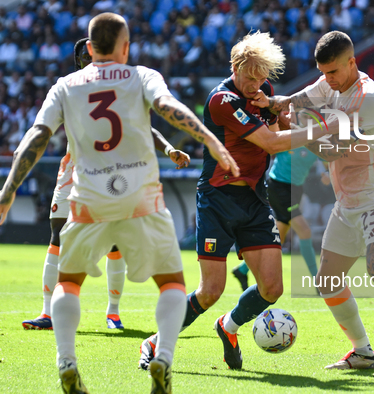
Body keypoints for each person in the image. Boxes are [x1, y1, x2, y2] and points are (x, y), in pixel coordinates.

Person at [0, 13, 238, 393]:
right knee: (172, 284)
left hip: (89, 198)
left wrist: (8, 191)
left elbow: (37, 135)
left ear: (90, 48)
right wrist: (209, 138)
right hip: (139, 196)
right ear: (126, 47)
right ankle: (163, 359)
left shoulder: (66, 85)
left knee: (70, 282)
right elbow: (168, 108)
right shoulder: (143, 75)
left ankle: (66, 361)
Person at [139, 31, 342, 371]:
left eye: (263, 77)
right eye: (251, 76)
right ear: (235, 66)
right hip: (218, 200)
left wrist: (297, 117)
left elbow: (283, 126)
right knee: (210, 291)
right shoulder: (221, 100)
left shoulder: (264, 92)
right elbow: (272, 143)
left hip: (254, 199)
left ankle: (228, 327)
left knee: (272, 288)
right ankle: (156, 342)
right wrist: (322, 129)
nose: (257, 84)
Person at [251, 31, 374, 378]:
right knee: (328, 280)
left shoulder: (371, 101)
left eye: (333, 72)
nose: (328, 80)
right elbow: (306, 97)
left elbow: (333, 151)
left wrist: (295, 134)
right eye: (323, 72)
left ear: (352, 62)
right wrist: (278, 103)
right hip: (347, 202)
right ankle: (363, 353)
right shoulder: (331, 83)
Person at [21, 37, 191, 332]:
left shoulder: (119, 87)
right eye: (87, 56)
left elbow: (143, 127)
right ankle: (48, 313)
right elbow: (42, 129)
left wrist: (167, 149)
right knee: (57, 234)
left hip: (113, 172)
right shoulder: (70, 86)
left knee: (115, 243)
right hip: (74, 169)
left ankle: (113, 313)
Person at [232, 113, 320, 291]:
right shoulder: (290, 137)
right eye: (304, 117)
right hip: (278, 188)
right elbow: (271, 142)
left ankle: (242, 270)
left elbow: (331, 159)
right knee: (304, 231)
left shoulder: (317, 144)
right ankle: (318, 282)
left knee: (276, 238)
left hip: (294, 190)